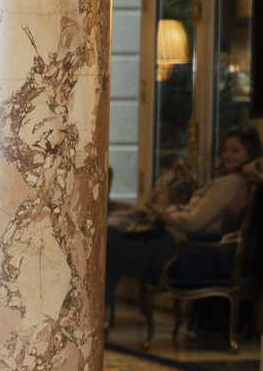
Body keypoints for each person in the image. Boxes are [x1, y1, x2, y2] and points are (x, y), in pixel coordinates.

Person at [105, 127, 259, 312]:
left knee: (107, 244)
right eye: (225, 149)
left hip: (181, 245)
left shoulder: (231, 182)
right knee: (110, 242)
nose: (228, 155)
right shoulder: (230, 181)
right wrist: (177, 209)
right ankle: (98, 320)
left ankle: (96, 320)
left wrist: (168, 215)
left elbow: (194, 222)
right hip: (177, 241)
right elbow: (197, 212)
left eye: (236, 150)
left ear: (250, 153)